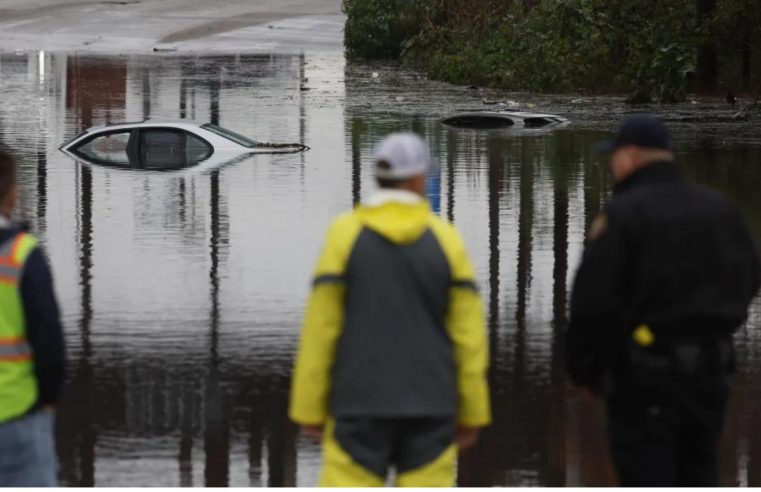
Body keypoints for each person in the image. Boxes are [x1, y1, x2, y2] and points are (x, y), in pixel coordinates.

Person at [567, 115, 761, 486]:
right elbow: (750, 276)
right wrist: (717, 326)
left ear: (629, 157)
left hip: (643, 377)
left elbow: (592, 303)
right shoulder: (719, 209)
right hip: (710, 375)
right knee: (700, 473)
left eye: (614, 156)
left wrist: (587, 371)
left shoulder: (622, 217)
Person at [289, 132, 491, 487]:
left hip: (357, 407)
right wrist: (472, 411)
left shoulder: (344, 235)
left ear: (378, 177)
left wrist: (309, 407)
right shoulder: (447, 241)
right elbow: (468, 338)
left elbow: (321, 329)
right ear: (417, 179)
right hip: (431, 408)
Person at [0, 148, 66, 487]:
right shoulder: (22, 254)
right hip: (17, 417)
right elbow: (50, 344)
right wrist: (48, 401)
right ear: (11, 195)